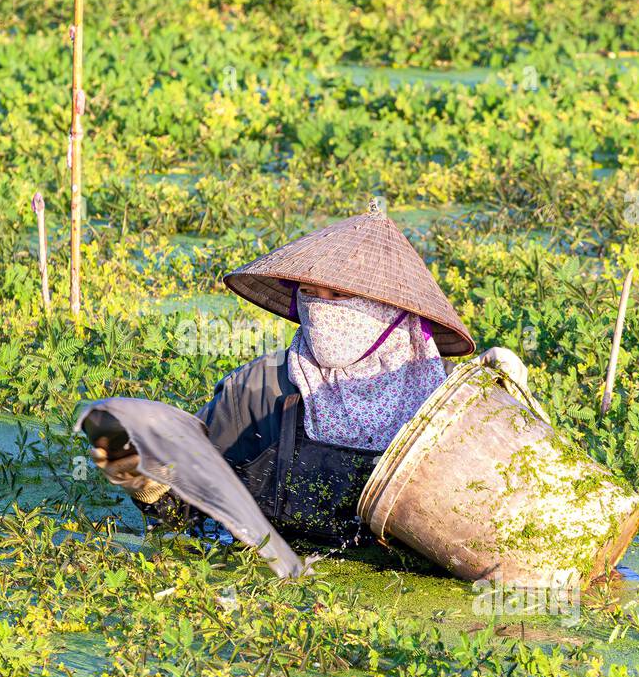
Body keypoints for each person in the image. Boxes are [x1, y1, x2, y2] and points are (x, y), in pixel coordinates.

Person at [90, 205, 529, 548]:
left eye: (340, 295)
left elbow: (509, 518)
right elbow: (194, 511)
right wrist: (148, 478)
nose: (323, 308)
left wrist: (509, 409)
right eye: (311, 294)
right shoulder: (258, 389)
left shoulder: (447, 403)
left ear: (394, 313)